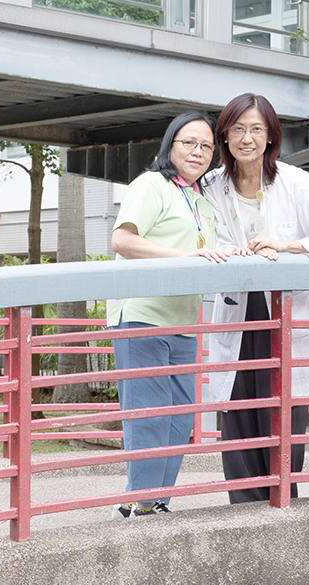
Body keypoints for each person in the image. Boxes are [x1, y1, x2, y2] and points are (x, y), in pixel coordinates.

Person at [204, 93, 309, 504]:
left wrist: (284, 246)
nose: (246, 138)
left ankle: (282, 511)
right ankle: (243, 515)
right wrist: (233, 252)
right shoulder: (211, 185)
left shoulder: (294, 181)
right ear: (224, 136)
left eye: (256, 129)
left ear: (270, 137)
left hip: (284, 313)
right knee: (237, 421)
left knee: (282, 422)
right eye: (237, 129)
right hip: (238, 310)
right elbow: (202, 240)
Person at [108, 112, 229, 518]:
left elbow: (208, 251)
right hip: (142, 314)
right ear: (169, 145)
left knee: (179, 417)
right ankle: (140, 503)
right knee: (150, 415)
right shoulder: (152, 184)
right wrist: (183, 257)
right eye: (188, 142)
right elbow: (123, 240)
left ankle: (154, 499)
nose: (198, 151)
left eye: (206, 146)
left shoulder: (200, 200)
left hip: (183, 321)